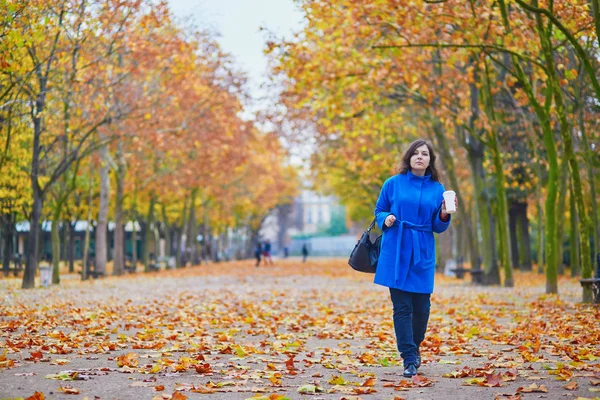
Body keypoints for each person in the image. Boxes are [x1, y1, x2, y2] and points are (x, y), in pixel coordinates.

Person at [374, 139, 457, 378]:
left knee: (422, 309)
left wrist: (443, 214)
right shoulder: (392, 184)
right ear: (409, 158)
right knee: (402, 308)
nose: (420, 157)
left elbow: (438, 227)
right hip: (396, 250)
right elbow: (379, 209)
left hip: (423, 251)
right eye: (416, 153)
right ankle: (409, 358)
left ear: (430, 161)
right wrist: (386, 218)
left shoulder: (437, 189)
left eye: (425, 154)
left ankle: (415, 345)